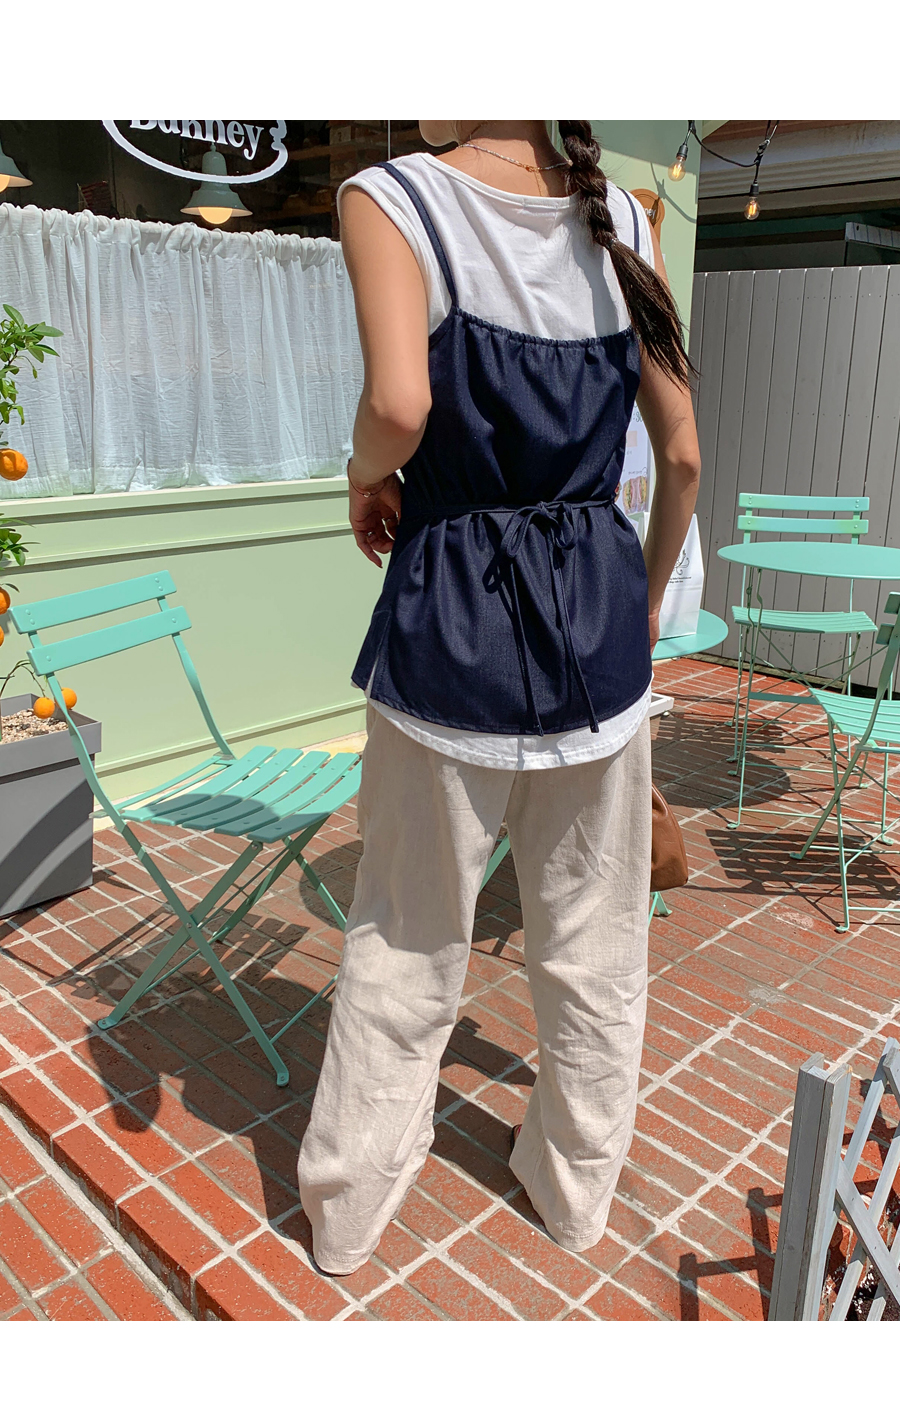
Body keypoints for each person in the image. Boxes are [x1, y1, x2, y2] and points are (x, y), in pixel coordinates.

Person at [297, 120, 701, 1276]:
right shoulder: (625, 221)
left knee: (407, 936)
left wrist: (365, 476)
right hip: (597, 633)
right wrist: (642, 603)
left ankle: (349, 1216)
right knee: (596, 943)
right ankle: (574, 1198)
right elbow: (681, 456)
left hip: (451, 628)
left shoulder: (395, 200)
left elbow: (400, 405)